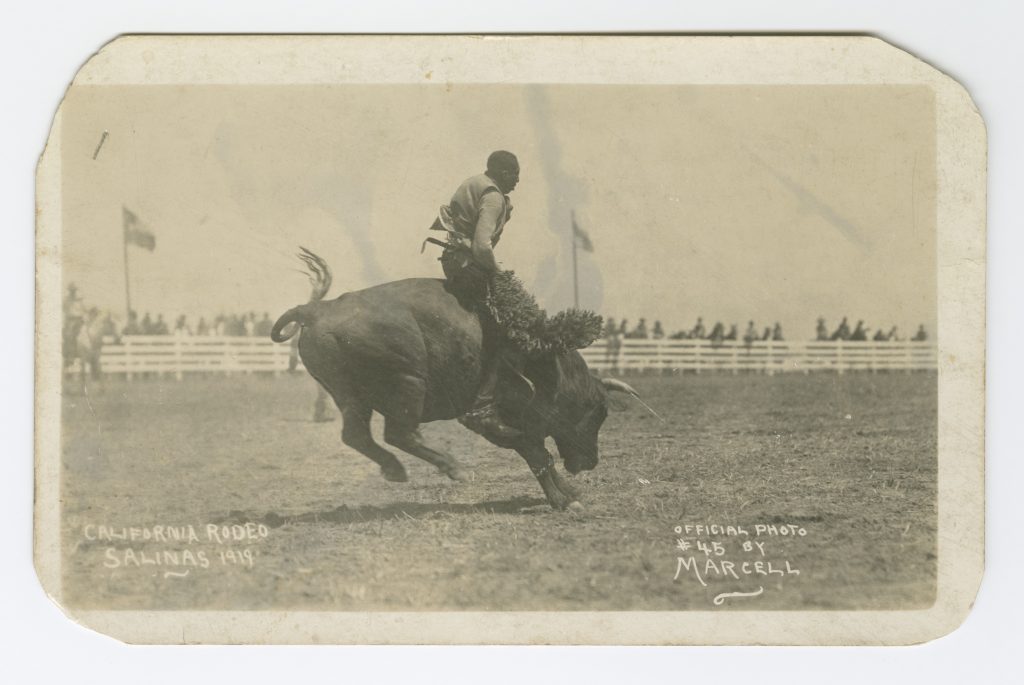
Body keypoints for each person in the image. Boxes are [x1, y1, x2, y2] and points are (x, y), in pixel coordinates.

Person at [428, 150, 523, 441]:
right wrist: (500, 273)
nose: (518, 181)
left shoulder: (474, 183)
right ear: (503, 172)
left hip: (453, 258)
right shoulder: (493, 197)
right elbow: (482, 246)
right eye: (515, 174)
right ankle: (481, 405)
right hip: (468, 264)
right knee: (501, 329)